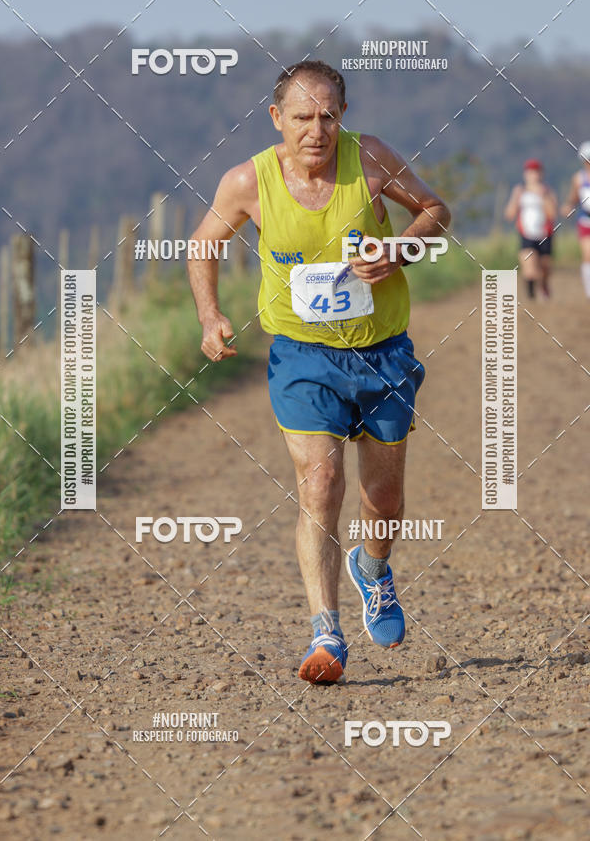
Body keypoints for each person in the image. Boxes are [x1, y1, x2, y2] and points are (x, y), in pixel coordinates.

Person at [187, 61, 450, 684]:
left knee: (382, 499)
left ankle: (374, 568)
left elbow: (436, 210)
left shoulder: (372, 160)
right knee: (320, 482)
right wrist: (210, 315)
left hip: (382, 350)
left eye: (328, 116)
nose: (316, 130)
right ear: (277, 118)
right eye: (302, 117)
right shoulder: (246, 181)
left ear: (343, 116)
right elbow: (203, 245)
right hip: (303, 356)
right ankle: (327, 633)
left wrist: (401, 247)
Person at [504, 158, 557, 299]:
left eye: (536, 172)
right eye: (530, 172)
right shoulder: (519, 191)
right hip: (526, 234)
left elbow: (552, 214)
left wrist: (543, 196)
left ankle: (544, 285)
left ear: (541, 174)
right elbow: (509, 215)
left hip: (545, 234)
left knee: (545, 268)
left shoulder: (547, 191)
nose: (534, 175)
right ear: (525, 174)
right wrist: (516, 197)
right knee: (530, 269)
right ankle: (531, 296)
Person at [561, 141, 590, 299]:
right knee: (588, 254)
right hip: (585, 221)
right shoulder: (578, 179)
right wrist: (568, 207)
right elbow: (573, 198)